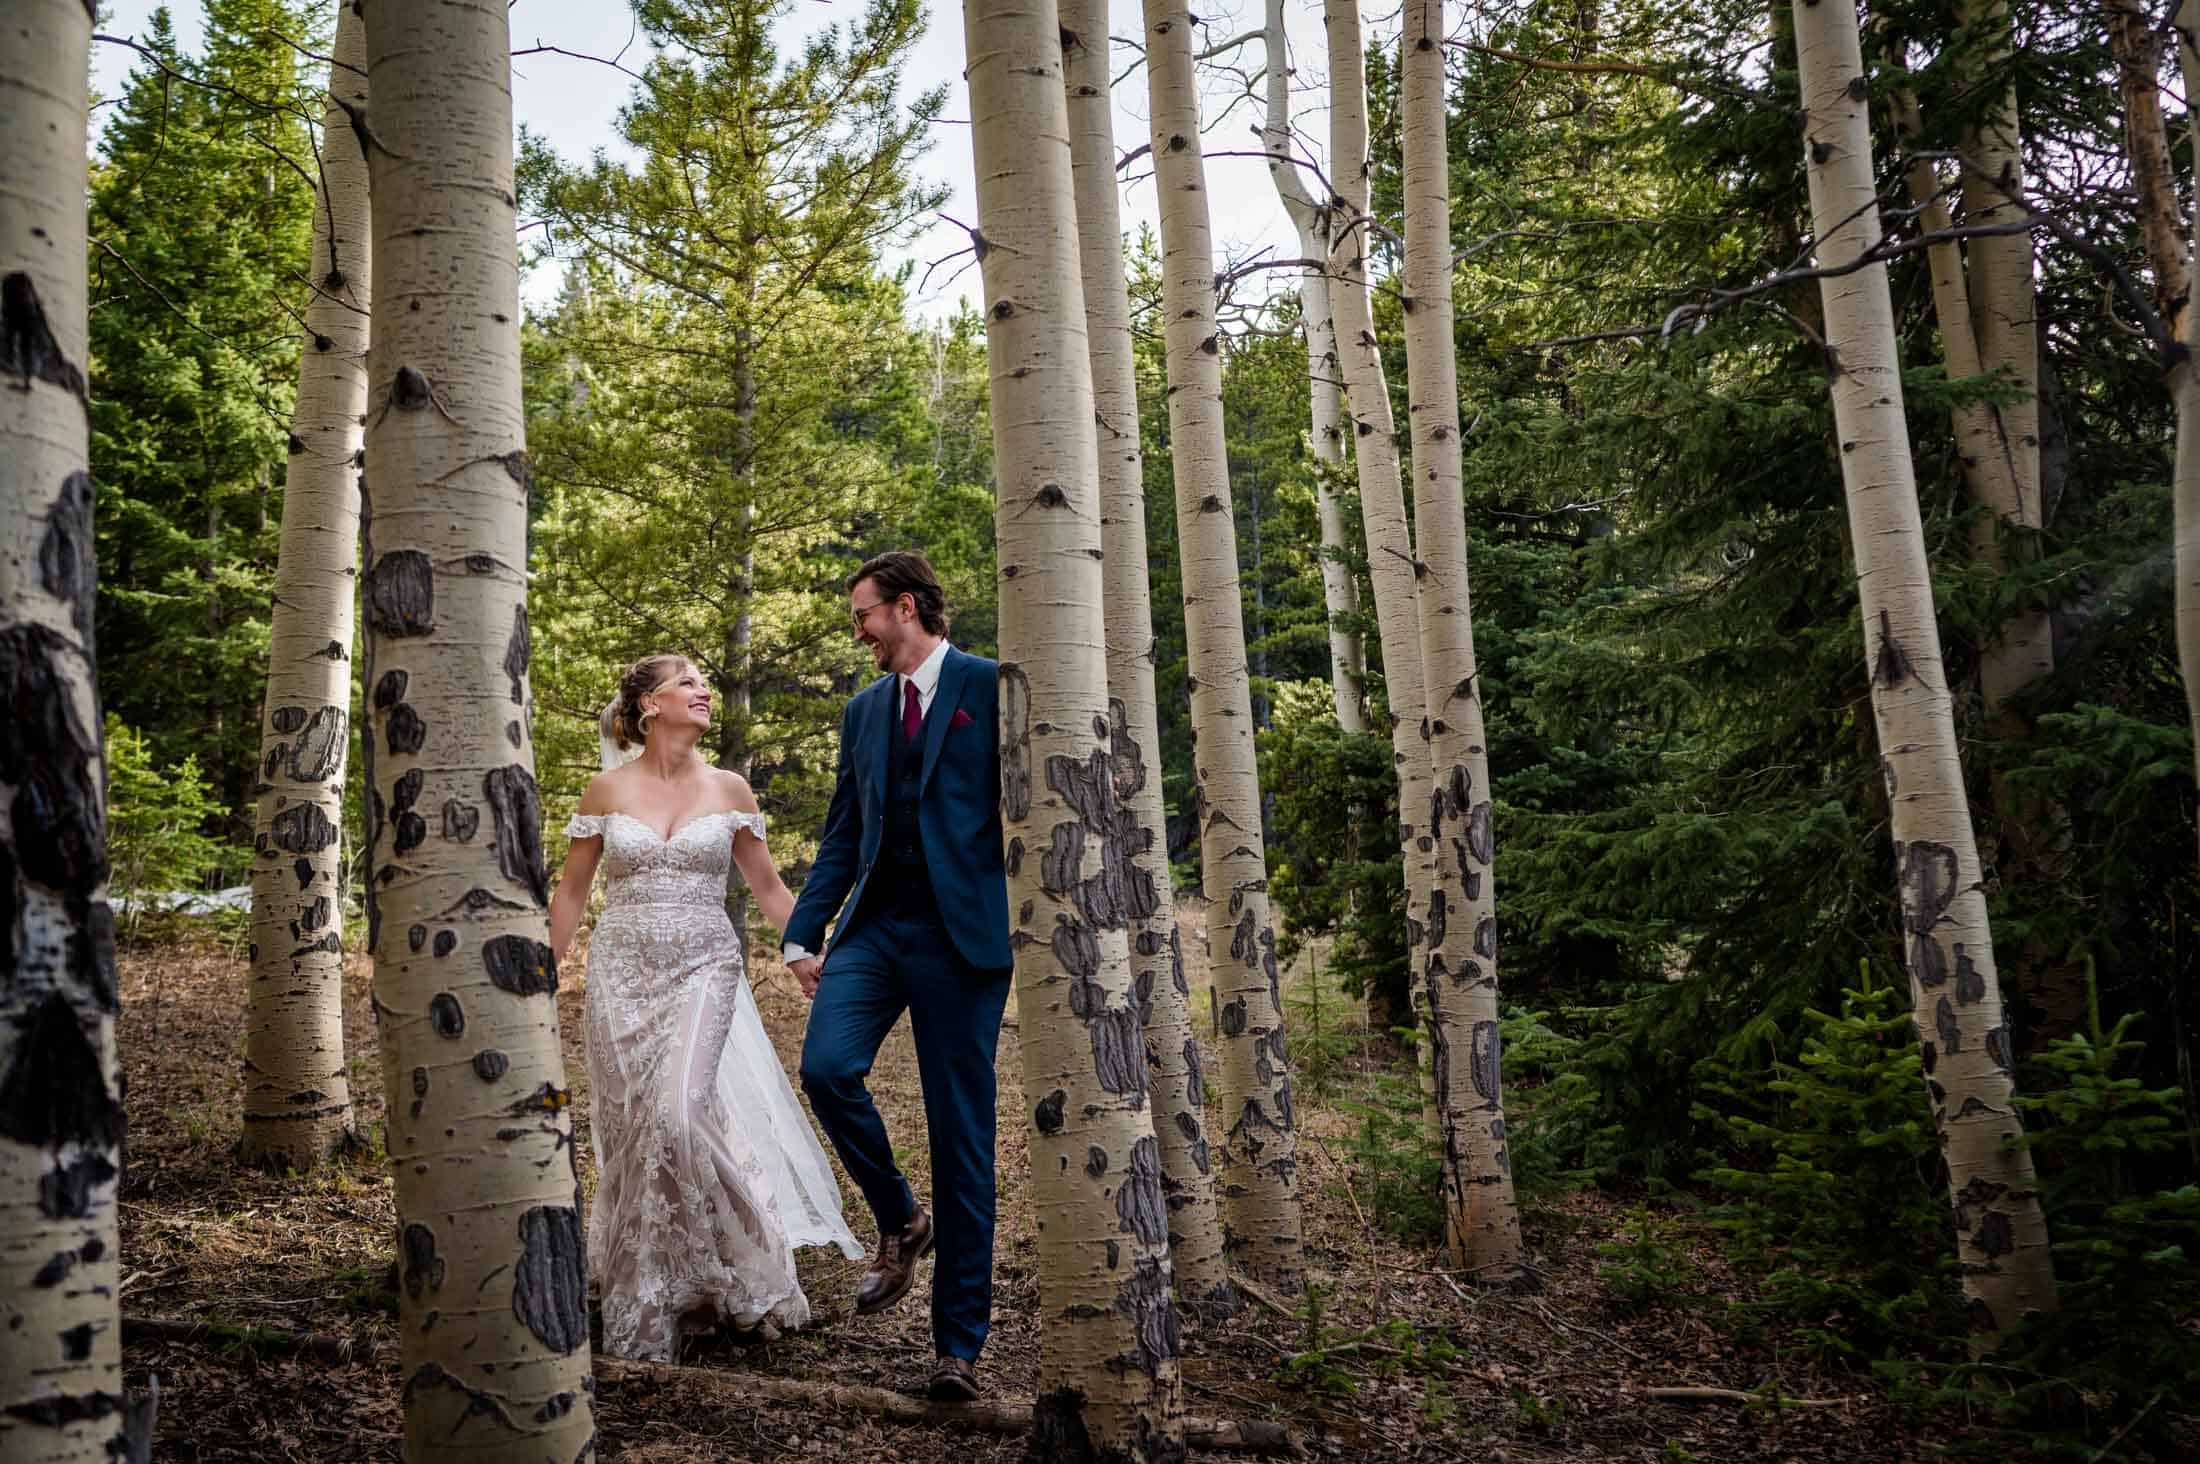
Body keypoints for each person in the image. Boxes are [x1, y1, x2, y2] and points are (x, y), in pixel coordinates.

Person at [548, 653, 862, 1363]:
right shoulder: (606, 789)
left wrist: (812, 951)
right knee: (635, 1129)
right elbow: (571, 894)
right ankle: (659, 1287)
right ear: (648, 704)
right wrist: (542, 972)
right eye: (687, 683)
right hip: (621, 972)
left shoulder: (729, 788)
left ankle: (750, 1249)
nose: (703, 692)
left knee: (679, 1111)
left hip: (703, 967)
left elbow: (770, 887)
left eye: (705, 685)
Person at [784, 550, 1012, 1402]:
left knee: (963, 1140)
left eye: (864, 616)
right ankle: (900, 1220)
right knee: (826, 1068)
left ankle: (958, 1349)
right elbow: (846, 827)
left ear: (906, 607)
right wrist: (805, 934)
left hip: (965, 942)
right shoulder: (864, 711)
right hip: (876, 930)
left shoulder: (992, 686)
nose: (860, 634)